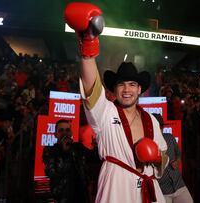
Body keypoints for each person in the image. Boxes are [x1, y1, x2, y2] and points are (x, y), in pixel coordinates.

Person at [64, 2, 169, 203]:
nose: (127, 90)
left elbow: (164, 158)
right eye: (121, 85)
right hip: (116, 186)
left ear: (140, 90)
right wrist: (88, 45)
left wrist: (156, 157)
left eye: (132, 85)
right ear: (114, 89)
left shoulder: (151, 121)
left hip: (149, 189)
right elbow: (91, 86)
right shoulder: (105, 112)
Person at [42, 119, 90, 203]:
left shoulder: (78, 148)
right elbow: (52, 173)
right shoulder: (50, 151)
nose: (65, 133)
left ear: (71, 133)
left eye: (67, 130)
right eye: (61, 130)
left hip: (82, 195)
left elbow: (93, 157)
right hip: (63, 197)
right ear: (55, 134)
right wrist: (65, 152)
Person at [152, 113, 194, 203]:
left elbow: (178, 154)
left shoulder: (170, 137)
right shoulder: (149, 146)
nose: (160, 129)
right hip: (163, 191)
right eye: (158, 127)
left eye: (161, 127)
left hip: (179, 185)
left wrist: (178, 161)